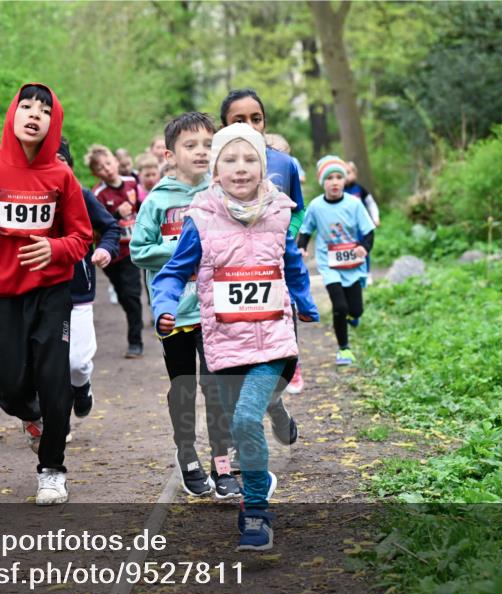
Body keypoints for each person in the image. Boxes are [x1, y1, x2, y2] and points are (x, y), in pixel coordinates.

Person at [152, 123, 319, 550]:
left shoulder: (279, 212)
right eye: (230, 159)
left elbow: (293, 265)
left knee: (246, 419)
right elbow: (172, 273)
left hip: (274, 342)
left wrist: (303, 300)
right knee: (240, 423)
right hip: (224, 347)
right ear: (216, 169)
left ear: (263, 167)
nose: (241, 168)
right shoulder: (201, 219)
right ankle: (272, 424)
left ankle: (257, 513)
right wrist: (165, 307)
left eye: (250, 159)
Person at [0, 83, 92, 507]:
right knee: (12, 389)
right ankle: (30, 417)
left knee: (55, 381)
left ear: (54, 122)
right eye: (26, 106)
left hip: (50, 293)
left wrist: (55, 248)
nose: (34, 114)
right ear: (12, 113)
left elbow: (82, 236)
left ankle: (52, 469)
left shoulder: (61, 176)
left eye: (44, 110)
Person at [131, 112, 240, 500]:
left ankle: (222, 466)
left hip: (215, 310)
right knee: (184, 387)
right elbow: (138, 250)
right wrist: (181, 250)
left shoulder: (221, 194)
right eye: (190, 145)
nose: (201, 152)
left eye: (209, 145)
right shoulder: (157, 201)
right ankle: (188, 455)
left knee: (218, 389)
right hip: (173, 311)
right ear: (169, 154)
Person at [220, 88, 306, 443]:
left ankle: (274, 404)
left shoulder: (284, 164)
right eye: (239, 120)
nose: (250, 126)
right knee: (237, 365)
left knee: (280, 359)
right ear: (223, 127)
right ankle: (246, 441)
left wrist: (286, 235)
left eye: (256, 119)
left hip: (274, 277)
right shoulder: (219, 167)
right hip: (231, 282)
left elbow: (297, 208)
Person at [55, 137, 121, 432]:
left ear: (68, 166)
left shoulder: (80, 194)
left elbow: (110, 226)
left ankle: (81, 387)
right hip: (35, 292)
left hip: (78, 291)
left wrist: (106, 249)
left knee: (76, 364)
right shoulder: (22, 195)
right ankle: (56, 424)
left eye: (57, 162)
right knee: (46, 365)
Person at [299, 156, 375, 365]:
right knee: (340, 307)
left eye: (338, 177)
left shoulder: (354, 204)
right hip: (329, 263)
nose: (334, 182)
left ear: (344, 181)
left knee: (355, 309)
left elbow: (368, 231)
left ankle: (354, 315)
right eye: (329, 178)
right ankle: (344, 350)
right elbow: (306, 230)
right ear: (322, 182)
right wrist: (302, 247)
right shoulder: (315, 206)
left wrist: (363, 247)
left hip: (352, 263)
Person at [86, 143, 145, 358]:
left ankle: (135, 342)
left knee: (132, 295)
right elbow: (99, 223)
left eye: (109, 163)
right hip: (111, 255)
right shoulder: (98, 194)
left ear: (116, 161)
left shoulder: (132, 182)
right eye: (101, 168)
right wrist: (116, 213)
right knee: (123, 295)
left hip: (131, 251)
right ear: (95, 173)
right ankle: (131, 315)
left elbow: (142, 205)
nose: (107, 169)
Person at [344, 161, 381, 227]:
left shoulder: (360, 189)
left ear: (355, 173)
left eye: (348, 173)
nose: (345, 176)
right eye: (343, 174)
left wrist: (375, 218)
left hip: (362, 224)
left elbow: (371, 203)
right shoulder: (339, 192)